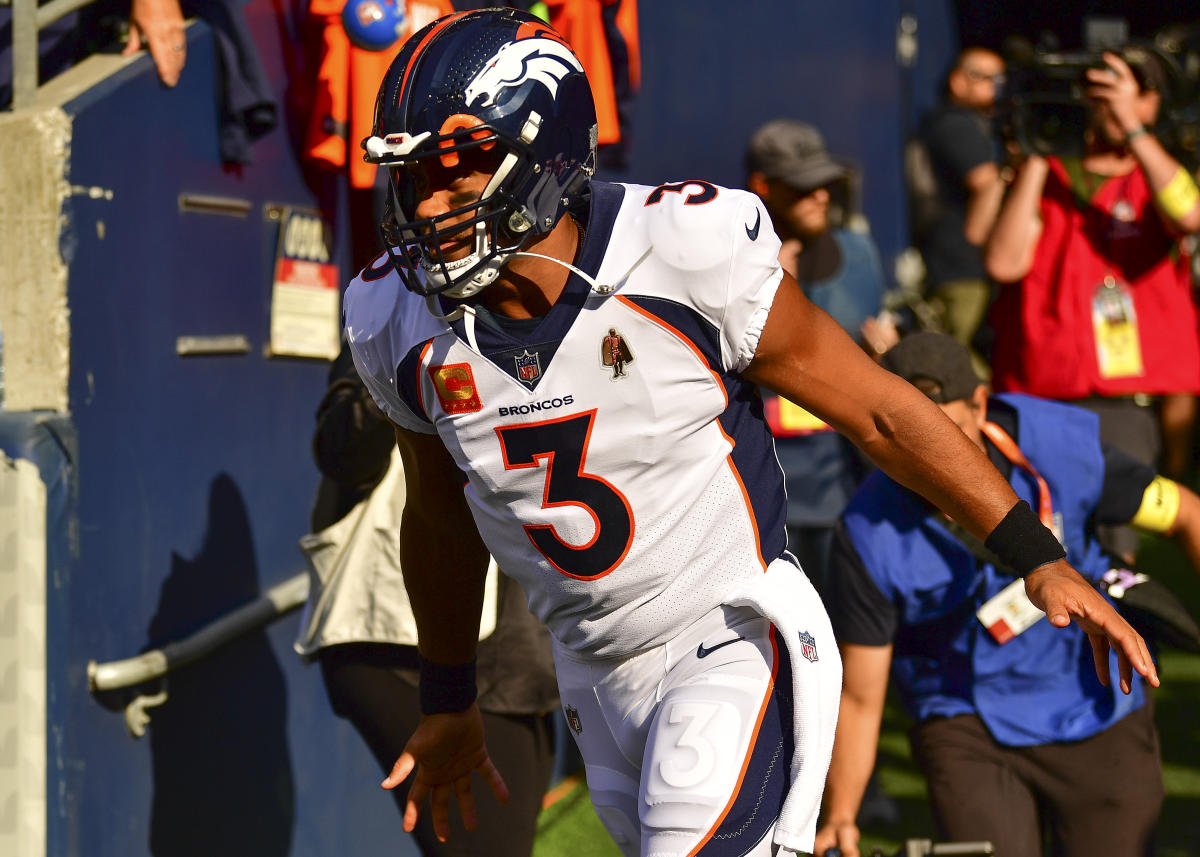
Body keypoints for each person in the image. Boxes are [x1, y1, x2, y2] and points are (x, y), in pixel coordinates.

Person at [342, 10, 1157, 857]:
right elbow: (439, 514)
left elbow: (878, 411)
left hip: (730, 634)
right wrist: (447, 697)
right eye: (410, 176)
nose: (426, 201)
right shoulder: (394, 317)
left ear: (543, 152)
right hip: (591, 668)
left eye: (456, 169)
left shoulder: (675, 251)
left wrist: (1036, 552)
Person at [815, 331, 1200, 857]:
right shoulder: (865, 529)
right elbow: (859, 695)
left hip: (1094, 697)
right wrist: (840, 813)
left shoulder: (1061, 446)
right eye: (907, 437)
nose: (928, 458)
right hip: (964, 717)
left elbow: (1185, 513)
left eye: (944, 432)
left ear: (980, 404)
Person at [295, 343, 560, 857]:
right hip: (407, 645)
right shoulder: (401, 314)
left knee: (507, 838)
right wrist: (395, 372)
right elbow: (343, 450)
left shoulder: (533, 314)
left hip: (521, 643)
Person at [985, 46, 1200, 561]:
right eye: (1097, 91)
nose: (1104, 104)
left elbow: (1190, 215)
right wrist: (1041, 147)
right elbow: (1004, 262)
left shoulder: (1161, 173)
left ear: (1152, 102)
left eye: (1124, 91)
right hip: (1038, 399)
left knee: (1112, 558)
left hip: (1121, 407)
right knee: (1040, 550)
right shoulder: (1049, 171)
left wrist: (1134, 129)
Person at [744, 118, 889, 591]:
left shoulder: (859, 255)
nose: (821, 196)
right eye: (804, 188)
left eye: (825, 183)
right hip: (763, 491)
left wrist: (883, 358)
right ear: (763, 187)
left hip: (843, 486)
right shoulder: (733, 261)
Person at [910, 46, 1007, 375]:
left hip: (968, 265)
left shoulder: (979, 125)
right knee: (960, 359)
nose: (993, 85)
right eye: (982, 76)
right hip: (960, 266)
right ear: (956, 81)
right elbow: (984, 180)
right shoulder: (955, 125)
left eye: (999, 78)